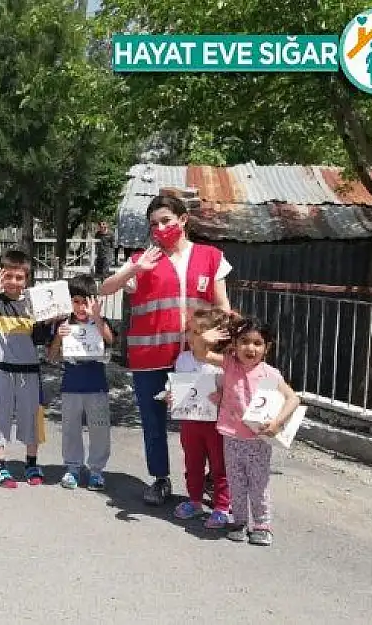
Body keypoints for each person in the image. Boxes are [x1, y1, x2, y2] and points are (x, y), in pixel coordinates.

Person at [99, 191, 232, 506]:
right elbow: (105, 288)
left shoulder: (211, 257)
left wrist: (229, 344)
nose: (160, 228)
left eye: (166, 220)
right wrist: (136, 269)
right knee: (153, 422)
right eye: (154, 224)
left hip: (196, 357)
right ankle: (160, 479)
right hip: (150, 357)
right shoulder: (143, 260)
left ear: (183, 220)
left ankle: (210, 483)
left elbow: (222, 305)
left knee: (204, 421)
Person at [199, 317, 300, 546]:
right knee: (236, 482)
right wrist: (204, 339)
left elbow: (293, 398)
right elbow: (201, 354)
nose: (250, 348)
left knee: (258, 483)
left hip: (258, 441)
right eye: (244, 341)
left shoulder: (270, 374)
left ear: (267, 347)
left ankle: (262, 525)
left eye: (257, 343)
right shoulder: (229, 365)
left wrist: (276, 423)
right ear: (234, 344)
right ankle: (239, 522)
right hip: (231, 438)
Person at [0, 250, 63, 488]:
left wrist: (49, 321)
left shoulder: (34, 304)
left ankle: (31, 463)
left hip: (30, 372)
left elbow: (40, 339)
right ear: (1, 277)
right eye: (8, 276)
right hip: (2, 371)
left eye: (19, 277)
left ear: (27, 279)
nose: (13, 282)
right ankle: (0, 466)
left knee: (31, 418)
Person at [166, 307, 233, 528]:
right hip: (191, 422)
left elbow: (233, 390)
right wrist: (170, 393)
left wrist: (222, 395)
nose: (192, 337)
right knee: (192, 463)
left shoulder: (223, 362)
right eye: (191, 332)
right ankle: (194, 501)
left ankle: (222, 506)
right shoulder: (183, 358)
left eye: (199, 333)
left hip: (216, 424)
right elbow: (176, 383)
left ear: (217, 336)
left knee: (219, 466)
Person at [46, 276, 114, 491]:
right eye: (76, 301)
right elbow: (52, 356)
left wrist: (97, 317)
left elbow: (110, 340)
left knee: (99, 429)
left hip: (97, 386)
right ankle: (73, 468)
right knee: (70, 428)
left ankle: (96, 470)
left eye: (86, 301)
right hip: (71, 387)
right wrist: (58, 337)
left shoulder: (100, 322)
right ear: (69, 302)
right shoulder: (63, 324)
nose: (81, 306)